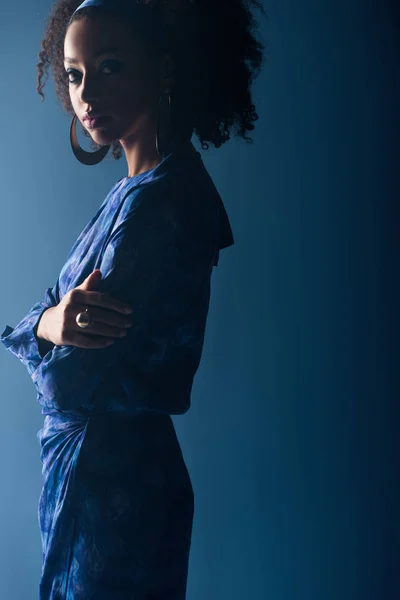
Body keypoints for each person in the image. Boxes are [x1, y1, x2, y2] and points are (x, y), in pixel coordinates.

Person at [1, 0, 265, 598]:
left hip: (114, 492)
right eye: (74, 74)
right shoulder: (137, 191)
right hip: (103, 479)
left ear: (164, 69)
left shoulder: (159, 205)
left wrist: (42, 327)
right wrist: (49, 323)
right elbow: (51, 324)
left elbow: (69, 383)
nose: (86, 93)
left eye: (110, 65)